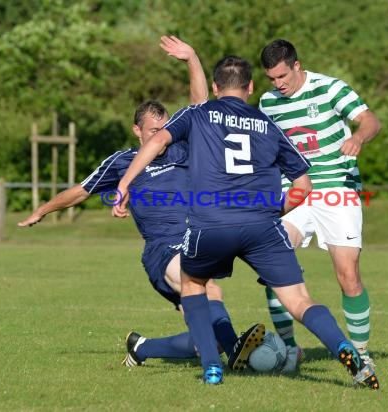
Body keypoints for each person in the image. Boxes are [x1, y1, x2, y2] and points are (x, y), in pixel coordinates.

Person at [113, 55, 379, 388]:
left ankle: (212, 367)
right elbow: (303, 186)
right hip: (262, 226)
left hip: (211, 223)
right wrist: (275, 212)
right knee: (299, 300)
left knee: (195, 285)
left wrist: (124, 184)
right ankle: (347, 351)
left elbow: (157, 141)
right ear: (251, 88)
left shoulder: (197, 113)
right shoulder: (267, 125)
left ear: (214, 87)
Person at [18, 36, 264, 369]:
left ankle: (142, 348)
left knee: (201, 339)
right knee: (210, 291)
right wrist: (43, 210)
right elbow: (80, 190)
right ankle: (236, 353)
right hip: (162, 249)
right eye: (152, 131)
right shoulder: (122, 162)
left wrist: (192, 58)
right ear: (137, 130)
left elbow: (200, 106)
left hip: (194, 239)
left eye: (163, 129)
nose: (159, 137)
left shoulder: (180, 149)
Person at [258, 39, 381, 365]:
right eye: (272, 78)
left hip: (336, 190)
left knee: (348, 276)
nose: (278, 84)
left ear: (297, 65)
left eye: (283, 76)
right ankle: (288, 350)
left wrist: (357, 137)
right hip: (295, 192)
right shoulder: (268, 103)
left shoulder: (330, 89)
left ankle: (362, 354)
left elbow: (371, 121)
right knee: (274, 266)